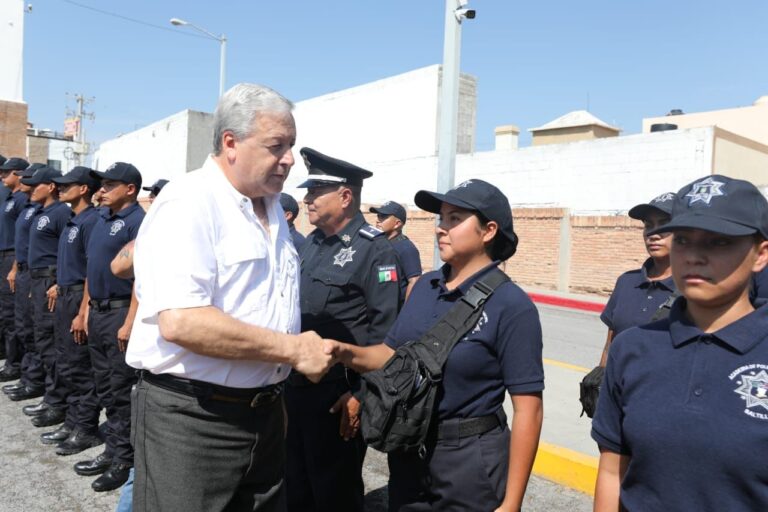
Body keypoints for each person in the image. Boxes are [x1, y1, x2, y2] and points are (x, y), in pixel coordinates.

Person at [125, 83, 334, 512]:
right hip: (194, 419)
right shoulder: (189, 202)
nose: (290, 159)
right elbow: (182, 320)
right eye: (277, 146)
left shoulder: (272, 206)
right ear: (231, 143)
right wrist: (292, 349)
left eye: (291, 146)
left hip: (265, 414)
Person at [330, 179, 544, 512]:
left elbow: (529, 410)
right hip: (410, 447)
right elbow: (390, 355)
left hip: (471, 461)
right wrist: (341, 352)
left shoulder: (511, 305)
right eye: (441, 218)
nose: (441, 229)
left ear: (488, 231)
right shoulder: (427, 285)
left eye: (455, 219)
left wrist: (512, 502)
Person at [592, 174, 768, 511]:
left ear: (760, 255)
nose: (694, 256)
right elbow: (612, 472)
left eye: (718, 242)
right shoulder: (633, 349)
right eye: (684, 240)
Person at [286, 147, 404, 512]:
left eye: (315, 191)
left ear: (345, 196)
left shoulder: (376, 253)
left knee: (334, 493)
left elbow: (387, 335)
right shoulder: (313, 244)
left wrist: (361, 396)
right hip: (295, 389)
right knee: (295, 487)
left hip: (337, 396)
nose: (306, 199)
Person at [72, 162, 145, 493]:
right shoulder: (102, 220)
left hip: (119, 314)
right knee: (104, 386)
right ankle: (112, 450)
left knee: (120, 390)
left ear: (130, 189)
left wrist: (130, 321)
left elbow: (143, 278)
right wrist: (84, 309)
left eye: (110, 185)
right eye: (101, 185)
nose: (101, 190)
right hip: (98, 312)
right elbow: (91, 269)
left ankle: (123, 459)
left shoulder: (138, 223)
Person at [47, 167, 104, 456]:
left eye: (67, 185)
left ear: (84, 189)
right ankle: (72, 422)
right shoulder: (73, 220)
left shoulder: (91, 221)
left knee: (81, 367)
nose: (60, 188)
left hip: (79, 299)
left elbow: (91, 272)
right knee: (66, 362)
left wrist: (83, 313)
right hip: (65, 294)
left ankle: (86, 428)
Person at [598, 192, 677, 366]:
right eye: (648, 226)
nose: (653, 234)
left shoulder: (693, 288)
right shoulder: (627, 281)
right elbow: (610, 344)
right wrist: (599, 383)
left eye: (665, 225)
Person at [21, 166, 72, 428]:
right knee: (41, 339)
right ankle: (51, 396)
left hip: (51, 282)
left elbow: (68, 252)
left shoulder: (62, 212)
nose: (30, 188)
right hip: (38, 279)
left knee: (53, 345)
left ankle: (58, 402)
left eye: (36, 184)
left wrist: (55, 282)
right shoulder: (43, 211)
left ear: (50, 186)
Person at [2, 165, 44, 402]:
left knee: (33, 328)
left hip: (35, 273)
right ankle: (26, 375)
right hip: (24, 269)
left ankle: (32, 378)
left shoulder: (40, 209)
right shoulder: (28, 205)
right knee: (21, 324)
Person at [0, 157, 30, 386]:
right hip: (4, 255)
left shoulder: (22, 200)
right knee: (5, 312)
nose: (2, 175)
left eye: (6, 172)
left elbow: (22, 239)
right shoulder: (10, 198)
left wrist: (13, 267)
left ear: (19, 174)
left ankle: (14, 364)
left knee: (12, 314)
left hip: (12, 257)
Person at [370, 200, 422, 299]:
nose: (378, 220)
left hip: (396, 310)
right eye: (378, 216)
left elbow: (414, 281)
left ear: (397, 223)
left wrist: (406, 312)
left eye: (383, 217)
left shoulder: (406, 248)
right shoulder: (377, 243)